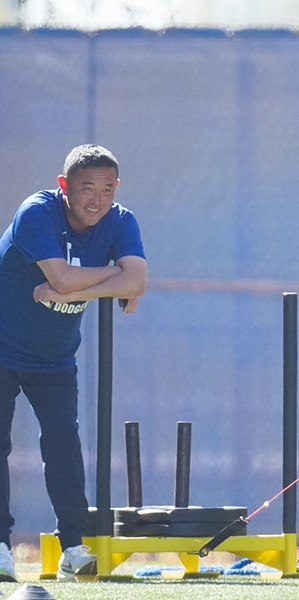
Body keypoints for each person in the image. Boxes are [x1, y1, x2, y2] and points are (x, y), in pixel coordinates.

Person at [0, 144, 147, 581]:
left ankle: (73, 548)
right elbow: (65, 275)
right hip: (2, 353)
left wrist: (74, 292)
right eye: (87, 188)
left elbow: (137, 280)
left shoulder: (121, 220)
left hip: (55, 360)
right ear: (64, 186)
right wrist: (111, 277)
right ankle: (0, 550)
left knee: (64, 447)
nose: (96, 200)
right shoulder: (36, 213)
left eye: (106, 189)